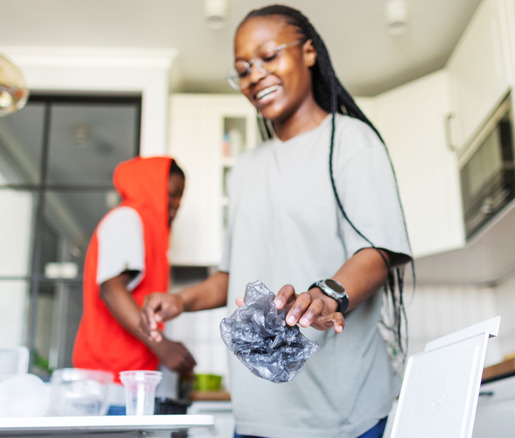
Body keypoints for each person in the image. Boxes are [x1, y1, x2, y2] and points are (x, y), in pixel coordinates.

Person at [140, 5, 411, 438]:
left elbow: (376, 252)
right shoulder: (246, 167)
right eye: (243, 69)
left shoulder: (352, 143)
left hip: (342, 415)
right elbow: (232, 276)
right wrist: (180, 301)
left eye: (268, 57)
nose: (255, 76)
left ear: (307, 53)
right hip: (256, 411)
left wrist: (326, 296)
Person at [72, 156, 196, 387]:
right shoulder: (126, 219)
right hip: (109, 378)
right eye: (172, 194)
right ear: (151, 187)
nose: (177, 203)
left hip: (124, 376)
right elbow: (111, 289)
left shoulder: (148, 229)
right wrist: (163, 346)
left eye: (180, 196)